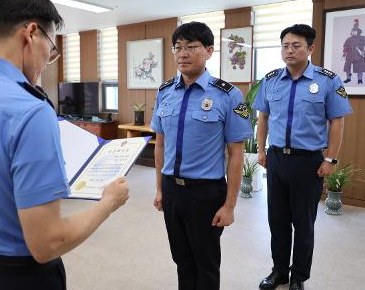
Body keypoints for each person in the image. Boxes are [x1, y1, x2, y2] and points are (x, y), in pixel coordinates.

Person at [0, 0, 129, 290]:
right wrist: (108, 202)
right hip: (22, 277)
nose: (46, 61)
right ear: (31, 34)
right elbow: (47, 242)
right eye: (50, 49)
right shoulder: (31, 110)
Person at [151, 21, 252, 290]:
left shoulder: (228, 95)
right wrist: (160, 189)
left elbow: (236, 154)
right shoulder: (164, 93)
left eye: (191, 47)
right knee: (182, 260)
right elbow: (160, 145)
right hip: (173, 190)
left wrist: (230, 205)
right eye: (178, 47)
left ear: (208, 51)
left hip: (206, 193)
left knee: (205, 264)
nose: (182, 54)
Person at [254, 24, 353, 290]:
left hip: (308, 162)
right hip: (276, 159)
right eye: (285, 45)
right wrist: (261, 151)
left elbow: (337, 122)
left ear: (310, 48)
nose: (289, 50)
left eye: (296, 45)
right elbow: (262, 118)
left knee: (304, 223)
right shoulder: (271, 79)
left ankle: (299, 276)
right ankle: (279, 272)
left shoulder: (327, 80)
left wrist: (330, 159)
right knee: (277, 220)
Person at [342, 18, 365, 84]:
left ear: (358, 31)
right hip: (349, 56)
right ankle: (348, 78)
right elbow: (346, 47)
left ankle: (360, 80)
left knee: (359, 68)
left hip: (359, 56)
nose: (354, 32)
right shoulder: (349, 39)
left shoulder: (362, 38)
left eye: (355, 31)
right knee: (347, 68)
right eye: (353, 31)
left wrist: (363, 52)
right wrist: (344, 54)